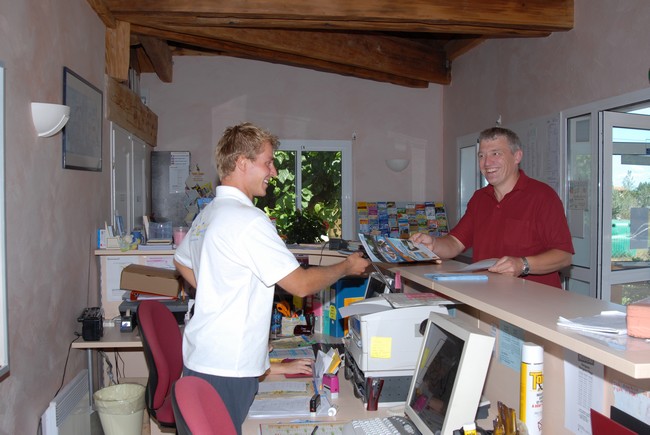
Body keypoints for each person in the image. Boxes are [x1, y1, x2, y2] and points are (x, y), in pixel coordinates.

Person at [173, 122, 369, 433]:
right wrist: (345, 268)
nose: (274, 171)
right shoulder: (248, 220)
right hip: (227, 368)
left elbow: (182, 261)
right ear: (242, 163)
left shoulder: (208, 213)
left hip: (202, 358)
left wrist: (216, 290)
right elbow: (301, 285)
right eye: (268, 162)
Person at [411, 127, 574, 288]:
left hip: (533, 303)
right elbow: (455, 242)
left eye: (496, 154)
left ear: (517, 156)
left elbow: (564, 256)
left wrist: (522, 264)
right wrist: (433, 244)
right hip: (486, 299)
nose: (487, 163)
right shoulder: (479, 198)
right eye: (482, 155)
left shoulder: (543, 196)